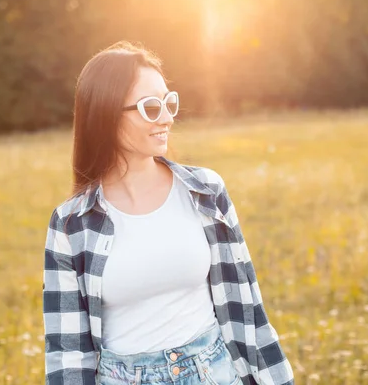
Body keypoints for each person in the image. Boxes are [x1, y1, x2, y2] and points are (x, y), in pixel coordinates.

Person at [42, 41, 294, 385]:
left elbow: (248, 305)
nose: (167, 117)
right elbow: (68, 353)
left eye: (168, 102)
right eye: (149, 107)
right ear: (105, 113)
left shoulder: (205, 191)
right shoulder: (71, 224)